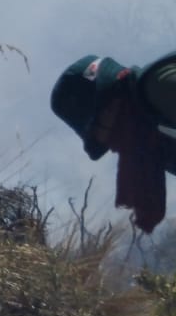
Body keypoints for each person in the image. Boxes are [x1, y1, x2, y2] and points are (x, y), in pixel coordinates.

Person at [51, 52, 176, 232]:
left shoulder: (159, 86)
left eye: (96, 130)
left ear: (107, 104)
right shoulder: (151, 136)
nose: (108, 143)